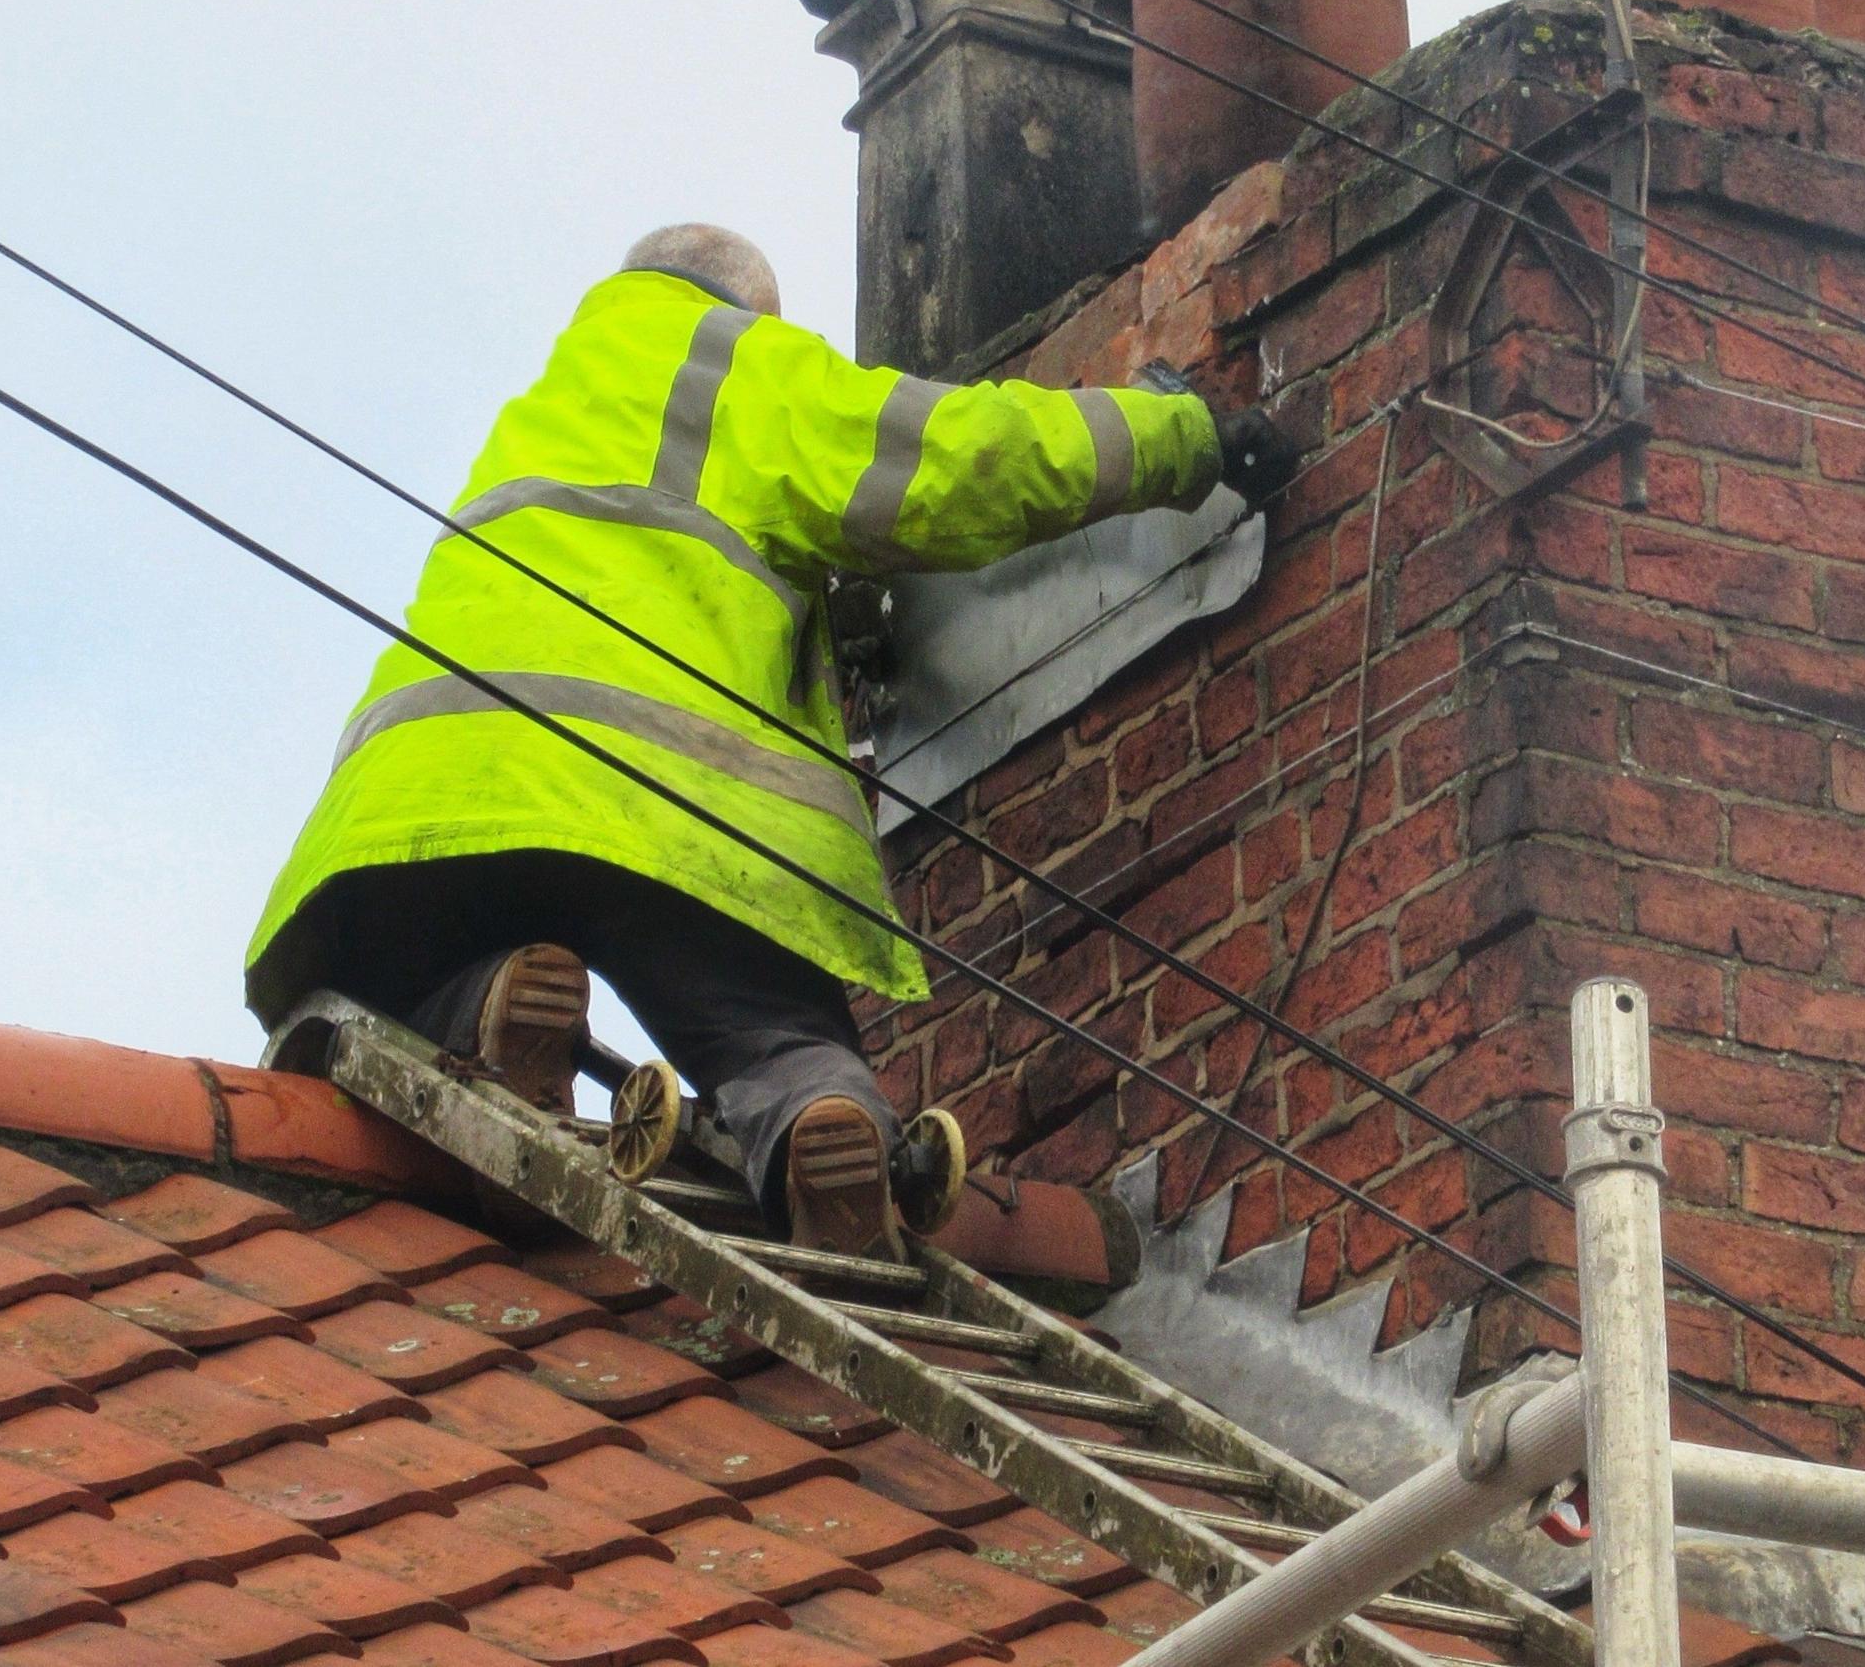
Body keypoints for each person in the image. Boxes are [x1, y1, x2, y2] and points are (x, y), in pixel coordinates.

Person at [248, 224, 1297, 1255]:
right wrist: (1187, 438)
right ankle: (815, 1120)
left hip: (436, 797)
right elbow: (965, 458)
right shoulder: (737, 362)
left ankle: (495, 1004)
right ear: (745, 306)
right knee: (772, 1034)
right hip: (662, 797)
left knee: (377, 989)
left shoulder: (544, 407)